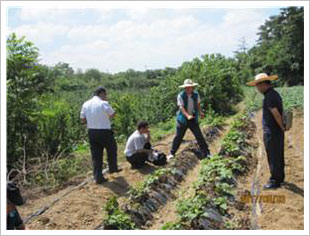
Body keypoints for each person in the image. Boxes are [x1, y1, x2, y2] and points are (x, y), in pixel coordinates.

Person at [247, 73, 286, 189]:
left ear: (263, 84)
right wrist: (281, 128)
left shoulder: (269, 96)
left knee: (273, 155)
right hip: (276, 131)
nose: (257, 88)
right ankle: (280, 177)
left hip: (272, 131)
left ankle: (275, 181)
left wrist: (281, 126)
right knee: (278, 154)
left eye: (257, 86)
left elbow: (276, 114)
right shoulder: (274, 94)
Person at [80, 86, 122, 184]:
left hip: (92, 132)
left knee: (96, 155)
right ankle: (113, 168)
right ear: (101, 93)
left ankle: (98, 177)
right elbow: (113, 114)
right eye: (105, 94)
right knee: (111, 149)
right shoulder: (103, 103)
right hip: (104, 132)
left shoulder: (85, 104)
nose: (106, 96)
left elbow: (82, 120)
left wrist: (92, 122)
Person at [167, 79, 211, 160]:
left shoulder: (196, 95)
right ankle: (172, 153)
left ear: (192, 87)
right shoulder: (180, 96)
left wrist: (200, 112)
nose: (188, 89)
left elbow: (198, 104)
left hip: (193, 118)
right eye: (186, 87)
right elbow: (181, 107)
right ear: (184, 88)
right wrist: (187, 115)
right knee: (178, 136)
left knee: (199, 135)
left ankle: (207, 152)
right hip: (182, 119)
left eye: (189, 87)